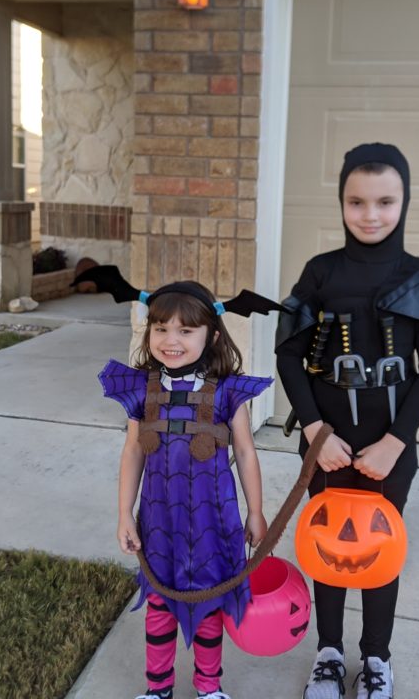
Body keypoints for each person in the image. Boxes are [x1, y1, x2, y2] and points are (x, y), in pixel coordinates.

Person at [276, 142, 419, 699]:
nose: (371, 215)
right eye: (356, 201)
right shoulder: (320, 273)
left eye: (385, 201)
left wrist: (396, 442)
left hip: (390, 450)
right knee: (327, 544)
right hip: (326, 444)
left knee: (379, 551)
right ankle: (329, 654)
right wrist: (315, 430)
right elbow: (289, 355)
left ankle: (377, 658)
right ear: (341, 202)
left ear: (404, 201)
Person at [99, 279, 272, 699]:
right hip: (160, 519)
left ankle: (209, 687)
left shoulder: (228, 390)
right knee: (160, 603)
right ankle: (158, 689)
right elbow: (133, 451)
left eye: (185, 330)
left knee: (209, 603)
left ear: (212, 336)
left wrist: (255, 511)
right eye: (160, 328)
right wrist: (124, 514)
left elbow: (245, 452)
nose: (170, 340)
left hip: (214, 518)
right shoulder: (142, 388)